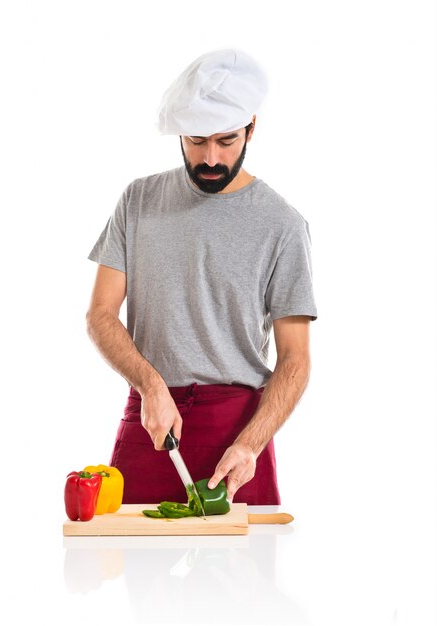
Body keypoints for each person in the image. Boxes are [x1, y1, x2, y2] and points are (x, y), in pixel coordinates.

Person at [86, 49, 317, 505]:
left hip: (238, 432)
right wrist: (151, 385)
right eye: (196, 140)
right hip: (151, 419)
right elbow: (100, 314)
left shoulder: (283, 224)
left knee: (245, 574)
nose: (210, 156)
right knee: (137, 568)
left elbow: (295, 359)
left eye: (226, 140)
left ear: (251, 127)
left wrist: (251, 443)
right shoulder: (138, 202)